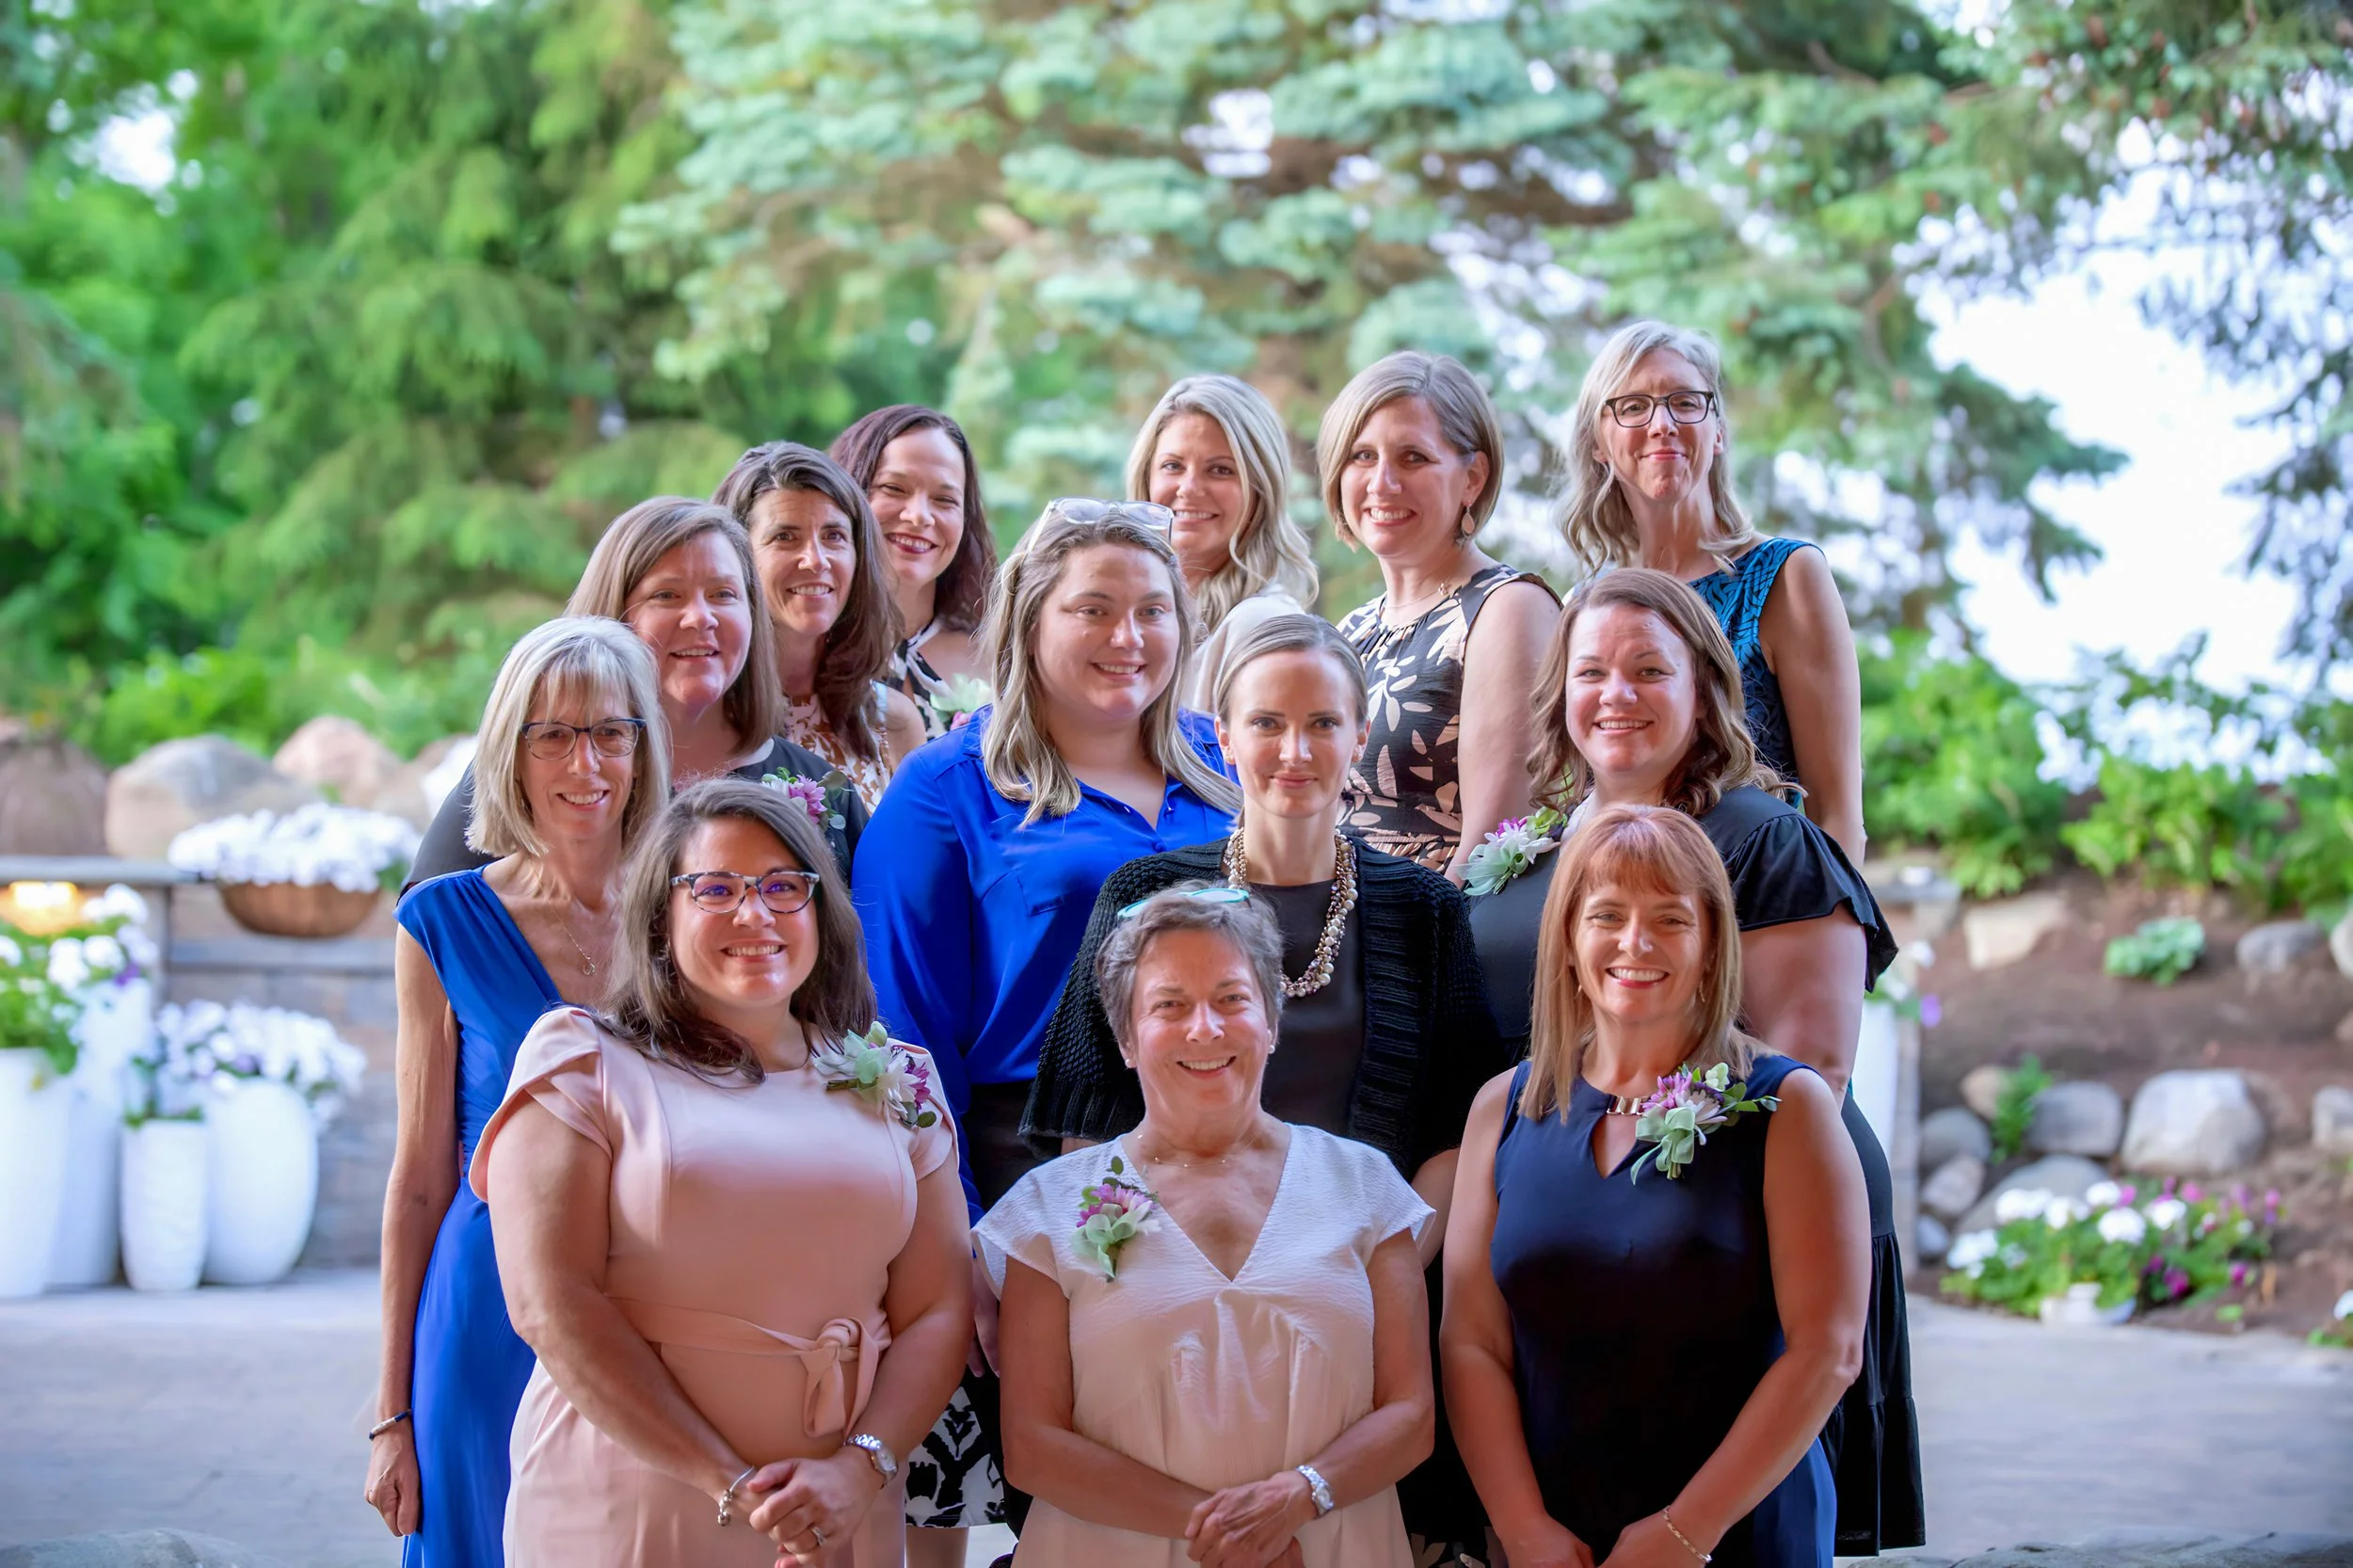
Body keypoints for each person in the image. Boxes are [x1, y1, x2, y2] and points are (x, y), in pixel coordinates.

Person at [1025, 612, 1506, 1565]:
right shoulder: (1145, 888)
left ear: (1359, 733)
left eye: (1323, 723)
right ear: (1225, 734)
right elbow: (1084, 1117)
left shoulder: (1427, 911)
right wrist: (1151, 1281)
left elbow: (1464, 1121)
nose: (1296, 750)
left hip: (1358, 1314)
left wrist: (1382, 1269)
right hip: (1163, 1319)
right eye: (1268, 723)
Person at [1465, 568, 1920, 1556]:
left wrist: (1651, 1202)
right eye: (1590, 671)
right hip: (1551, 1183)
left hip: (1710, 1215)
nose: (1615, 694)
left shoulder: (1767, 837)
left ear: (1706, 690)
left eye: (1646, 669)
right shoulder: (1534, 844)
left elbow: (1814, 1061)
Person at [854, 502, 1240, 1561]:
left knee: (1195, 1499)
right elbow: (901, 1039)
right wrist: (962, 1245)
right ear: (1029, 622)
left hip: (1214, 1165)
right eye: (1095, 609)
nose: (1129, 636)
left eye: (1153, 610)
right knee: (1056, 1511)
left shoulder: (1225, 766)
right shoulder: (947, 788)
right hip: (1021, 1172)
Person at [471, 779, 972, 1567]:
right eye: (716, 889)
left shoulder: (899, 1079)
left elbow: (939, 1308)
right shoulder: (583, 1060)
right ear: (661, 919)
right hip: (632, 1492)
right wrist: (732, 1485)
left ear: (821, 912)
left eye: (783, 887)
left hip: (836, 1509)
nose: (756, 914)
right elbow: (550, 1303)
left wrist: (860, 1467)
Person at [1443, 805, 1869, 1568]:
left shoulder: (1785, 1106)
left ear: (1710, 948)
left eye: (1670, 919)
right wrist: (1522, 1529)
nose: (1635, 943)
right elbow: (1471, 1340)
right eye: (1607, 915)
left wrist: (1685, 1532)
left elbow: (1827, 1350)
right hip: (1553, 1539)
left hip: (1735, 1534)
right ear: (1569, 942)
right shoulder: (1503, 1107)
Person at [981, 888, 1435, 1567]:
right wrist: (1233, 1533)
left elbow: (1411, 1416)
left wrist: (1299, 1497)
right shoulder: (1046, 1210)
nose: (1205, 1029)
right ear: (1127, 1039)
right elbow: (1033, 1447)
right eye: (1169, 1005)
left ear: (1272, 1023)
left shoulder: (1365, 1186)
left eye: (1231, 999)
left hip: (1330, 1543)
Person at [366, 616, 669, 1564]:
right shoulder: (441, 923)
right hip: (485, 1308)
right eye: (555, 734)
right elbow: (418, 1175)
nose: (586, 761)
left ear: (641, 746)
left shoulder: (689, 912)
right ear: (512, 750)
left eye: (610, 731)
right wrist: (390, 1414)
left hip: (657, 1300)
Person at [406, 497, 868, 889]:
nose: (700, 618)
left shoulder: (824, 795)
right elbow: (433, 929)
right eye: (667, 596)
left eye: (724, 594)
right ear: (613, 613)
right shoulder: (537, 766)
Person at [1554, 319, 1865, 862]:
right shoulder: (1583, 605)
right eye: (1633, 407)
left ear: (1717, 430)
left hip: (1764, 900)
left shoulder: (1787, 576)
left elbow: (1837, 813)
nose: (1663, 424)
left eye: (1685, 401)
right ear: (1599, 443)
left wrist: (1831, 935)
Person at [1321, 351, 1559, 879]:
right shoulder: (1351, 630)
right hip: (1332, 931)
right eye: (1361, 456)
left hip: (1428, 939)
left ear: (1473, 477)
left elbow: (1495, 845)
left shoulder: (1506, 609)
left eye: (1413, 457)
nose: (1382, 482)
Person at [715, 440, 929, 807]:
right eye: (785, 537)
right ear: (735, 556)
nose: (816, 560)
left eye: (833, 536)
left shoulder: (894, 722)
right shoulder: (702, 717)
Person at [1125, 375, 1321, 709]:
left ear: (1261, 489)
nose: (1189, 488)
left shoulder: (1263, 626)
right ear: (1146, 478)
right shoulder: (1127, 617)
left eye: (1220, 470)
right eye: (1173, 466)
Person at [830, 406, 999, 734]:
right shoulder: (800, 651)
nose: (920, 515)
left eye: (945, 499)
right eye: (894, 488)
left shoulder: (1004, 660)